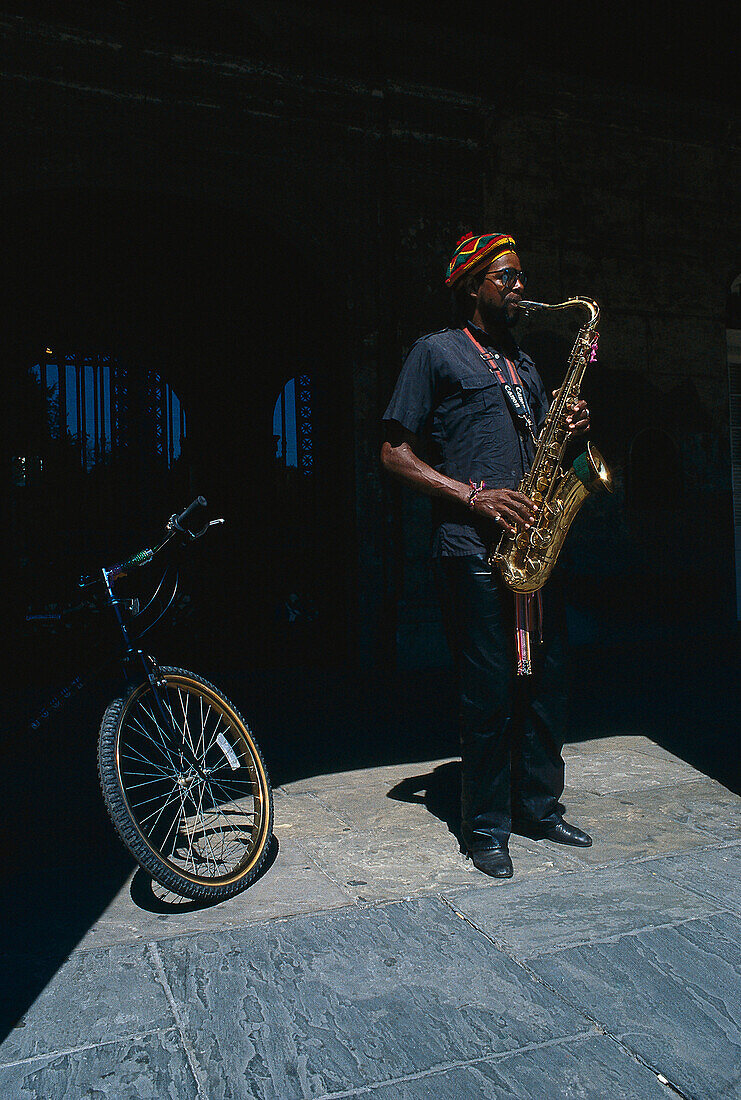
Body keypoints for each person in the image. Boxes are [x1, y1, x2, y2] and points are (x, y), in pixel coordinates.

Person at [380, 231, 592, 879]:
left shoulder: (525, 366)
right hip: (470, 549)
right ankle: (485, 828)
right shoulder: (434, 353)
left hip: (532, 548)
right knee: (488, 693)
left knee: (547, 684)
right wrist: (472, 496)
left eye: (520, 276)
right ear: (472, 285)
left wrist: (570, 433)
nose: (519, 286)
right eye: (506, 276)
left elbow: (541, 455)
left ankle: (538, 807)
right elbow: (392, 453)